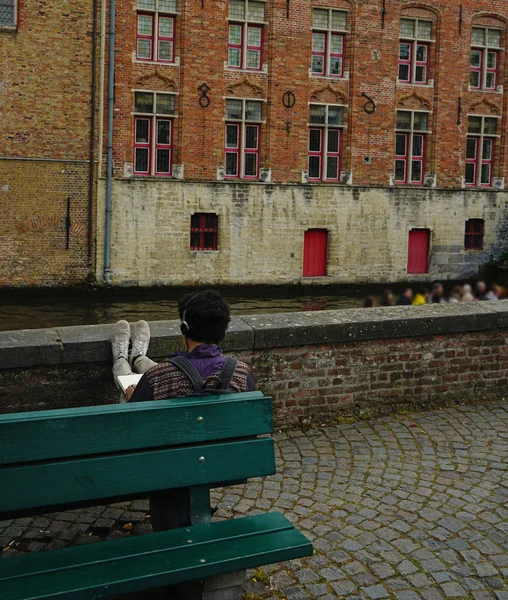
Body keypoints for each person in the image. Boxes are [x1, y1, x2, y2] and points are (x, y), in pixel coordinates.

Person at [110, 289, 255, 534]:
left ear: (184, 328)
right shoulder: (241, 373)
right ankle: (138, 357)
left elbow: (132, 425)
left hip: (165, 465)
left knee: (129, 384)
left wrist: (132, 396)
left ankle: (122, 360)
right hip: (220, 464)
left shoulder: (158, 377)